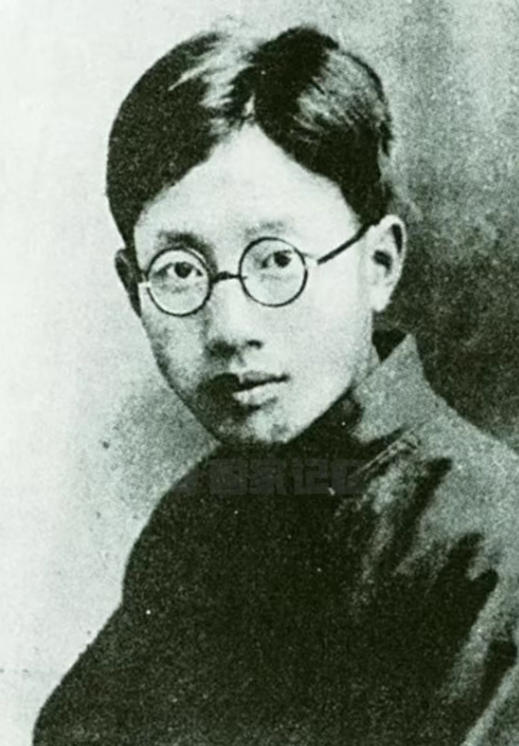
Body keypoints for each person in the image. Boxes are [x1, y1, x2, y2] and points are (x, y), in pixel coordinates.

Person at [34, 24, 519, 745]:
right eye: (179, 272)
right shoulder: (196, 523)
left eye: (277, 260)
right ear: (134, 290)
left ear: (378, 264)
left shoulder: (491, 549)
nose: (230, 327)